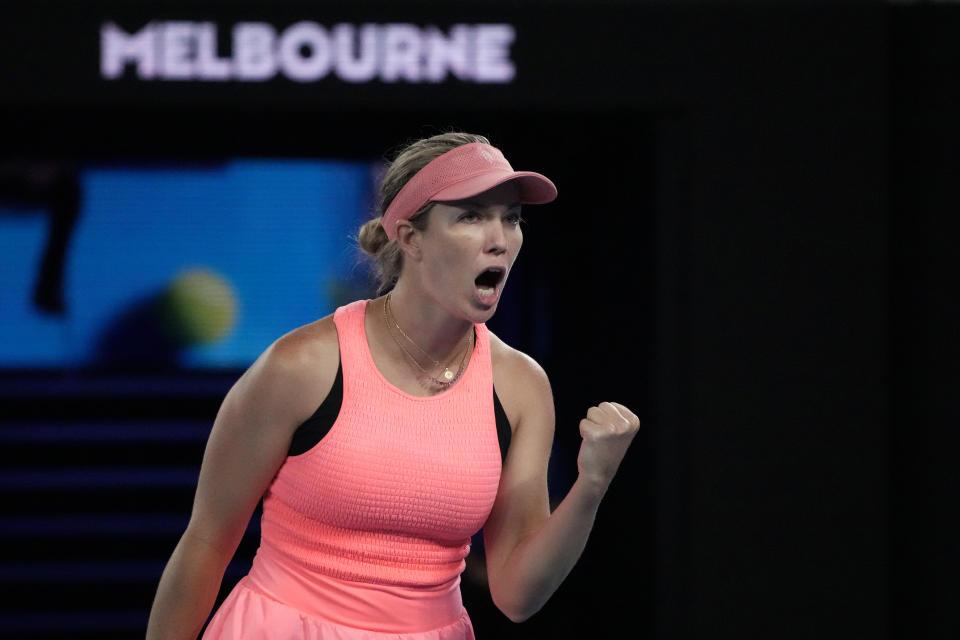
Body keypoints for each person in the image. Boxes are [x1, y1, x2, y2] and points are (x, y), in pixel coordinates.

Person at [145, 132, 640, 639]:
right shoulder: (302, 364)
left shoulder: (522, 386)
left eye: (511, 218)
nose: (500, 237)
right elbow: (207, 542)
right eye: (471, 215)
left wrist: (591, 485)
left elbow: (517, 596)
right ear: (410, 237)